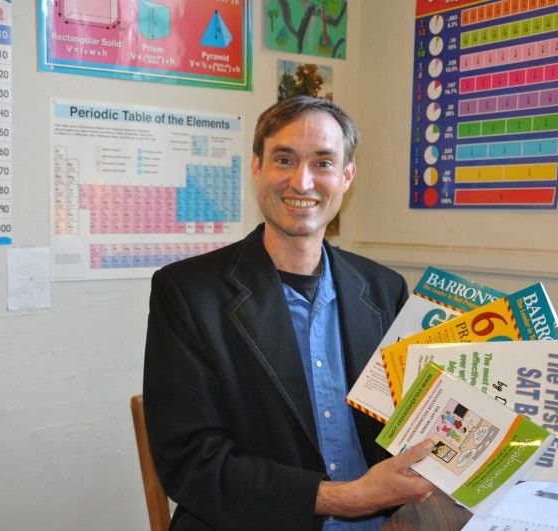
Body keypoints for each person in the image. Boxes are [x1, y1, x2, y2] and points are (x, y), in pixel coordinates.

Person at [143, 96, 435, 531]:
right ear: (257, 166)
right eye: (284, 159)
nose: (302, 182)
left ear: (347, 176)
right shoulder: (187, 294)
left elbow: (412, 417)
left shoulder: (384, 289)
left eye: (323, 163)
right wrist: (347, 498)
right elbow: (192, 464)